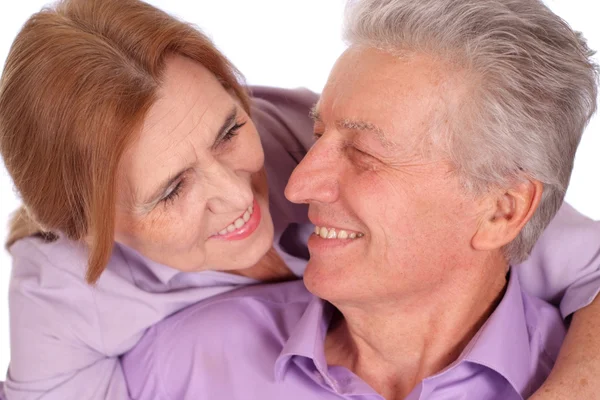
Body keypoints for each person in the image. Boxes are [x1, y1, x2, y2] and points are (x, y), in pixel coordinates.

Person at [0, 0, 599, 399]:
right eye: (172, 188)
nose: (277, 187)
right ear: (87, 225)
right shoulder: (70, 304)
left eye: (230, 131)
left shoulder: (294, 129)